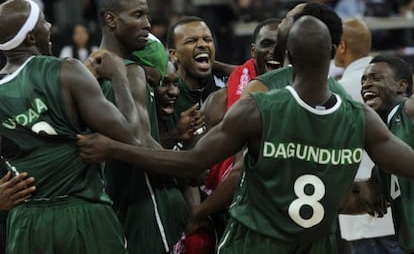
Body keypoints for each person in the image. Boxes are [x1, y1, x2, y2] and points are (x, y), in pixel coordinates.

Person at [77, 15, 414, 253]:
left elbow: (189, 162)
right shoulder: (361, 118)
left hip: (255, 243)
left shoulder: (258, 108)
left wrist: (114, 149)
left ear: (289, 57)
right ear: (332, 55)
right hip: (316, 244)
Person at [0, 0, 140, 253]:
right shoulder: (67, 70)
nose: (50, 25)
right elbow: (130, 135)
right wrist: (119, 75)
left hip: (26, 225)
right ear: (31, 37)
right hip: (84, 215)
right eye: (44, 21)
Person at [97, 0, 190, 253]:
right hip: (147, 202)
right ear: (111, 20)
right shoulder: (130, 72)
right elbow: (140, 142)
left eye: (147, 15)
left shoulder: (86, 71)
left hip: (114, 204)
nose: (147, 24)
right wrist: (189, 167)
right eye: (138, 15)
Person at [189, 18, 281, 240]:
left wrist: (196, 215)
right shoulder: (219, 101)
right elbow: (196, 166)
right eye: (266, 44)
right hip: (232, 209)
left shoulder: (300, 96)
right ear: (253, 50)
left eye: (280, 45)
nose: (273, 51)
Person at [335, 18, 403, 254]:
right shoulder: (396, 83)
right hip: (402, 208)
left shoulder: (337, 92)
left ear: (341, 46)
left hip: (364, 212)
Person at [361, 55, 414, 253]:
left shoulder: (408, 109)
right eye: (364, 80)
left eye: (375, 78)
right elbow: (368, 200)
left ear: (401, 86)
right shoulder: (384, 144)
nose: (366, 84)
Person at [163, 16, 217, 150]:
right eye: (191, 41)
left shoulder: (231, 86)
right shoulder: (163, 96)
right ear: (174, 55)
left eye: (207, 39)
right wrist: (175, 134)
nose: (202, 44)